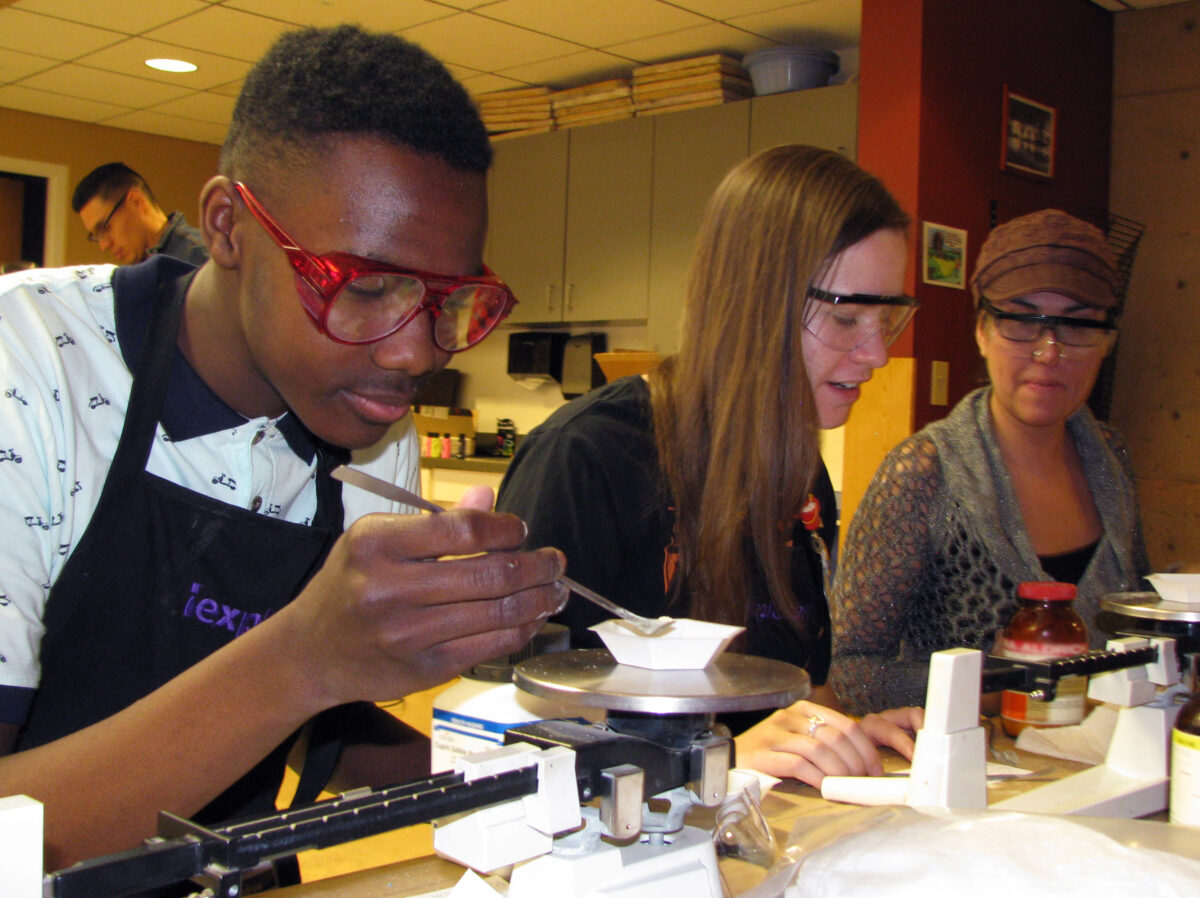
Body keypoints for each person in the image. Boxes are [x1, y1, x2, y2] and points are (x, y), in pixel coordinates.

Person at [0, 25, 568, 877]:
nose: (415, 355)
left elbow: (307, 727)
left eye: (450, 300)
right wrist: (306, 658)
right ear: (228, 227)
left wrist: (534, 772)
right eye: (365, 286)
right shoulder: (28, 367)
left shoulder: (373, 430)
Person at [498, 144, 924, 788]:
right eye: (846, 318)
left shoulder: (799, 475)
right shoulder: (586, 458)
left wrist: (838, 734)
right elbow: (517, 738)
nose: (878, 354)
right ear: (756, 303)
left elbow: (791, 695)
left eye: (886, 319)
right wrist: (714, 765)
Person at [829, 209, 1151, 715]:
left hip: (1104, 756)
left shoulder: (1111, 460)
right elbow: (848, 669)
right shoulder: (924, 473)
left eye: (1078, 325)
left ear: (1107, 340)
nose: (1049, 352)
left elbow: (1139, 614)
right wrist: (993, 685)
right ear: (982, 330)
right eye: (1022, 321)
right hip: (974, 759)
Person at [72, 162, 208, 266]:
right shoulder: (136, 276)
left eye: (105, 228)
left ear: (136, 201)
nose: (104, 245)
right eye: (96, 236)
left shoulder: (201, 258)